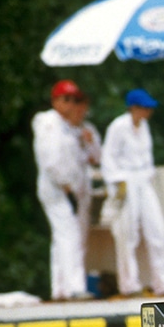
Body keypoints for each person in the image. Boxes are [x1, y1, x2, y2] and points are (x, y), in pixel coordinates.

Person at [100, 88, 164, 297]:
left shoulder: (144, 127)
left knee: (157, 230)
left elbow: (147, 156)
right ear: (133, 108)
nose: (148, 112)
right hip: (125, 180)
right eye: (144, 107)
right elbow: (109, 157)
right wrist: (116, 183)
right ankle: (128, 285)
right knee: (127, 233)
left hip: (143, 180)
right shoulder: (118, 127)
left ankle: (163, 282)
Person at [31, 79, 92, 301]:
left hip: (67, 188)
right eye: (66, 99)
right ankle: (75, 287)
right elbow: (51, 159)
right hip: (56, 188)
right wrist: (66, 185)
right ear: (55, 100)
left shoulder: (68, 127)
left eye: (74, 100)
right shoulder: (49, 122)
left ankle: (60, 288)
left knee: (61, 238)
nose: (70, 104)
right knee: (69, 235)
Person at [67, 92, 101, 270]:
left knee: (81, 234)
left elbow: (97, 158)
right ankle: (66, 282)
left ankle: (77, 279)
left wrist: (90, 142)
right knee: (66, 233)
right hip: (67, 185)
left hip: (83, 184)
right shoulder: (63, 129)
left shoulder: (89, 129)